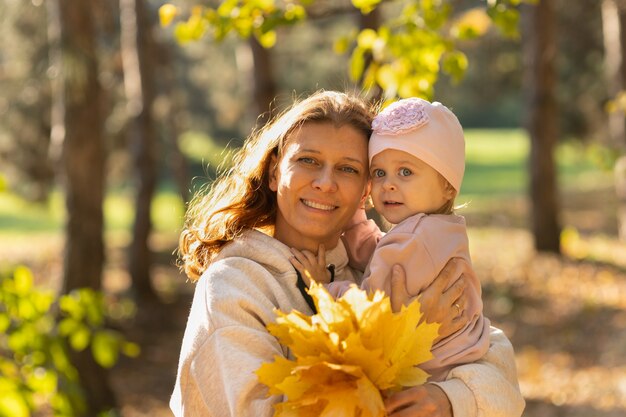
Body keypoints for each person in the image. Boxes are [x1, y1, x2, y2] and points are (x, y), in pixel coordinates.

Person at [170, 90, 525, 417]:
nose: (326, 182)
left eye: (348, 169)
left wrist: (450, 399)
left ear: (365, 190)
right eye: (308, 161)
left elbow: (499, 367)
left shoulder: (382, 260)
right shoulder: (235, 287)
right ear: (275, 171)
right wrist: (400, 336)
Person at [289, 97, 490, 383]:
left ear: (448, 185)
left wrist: (325, 288)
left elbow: (371, 314)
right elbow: (379, 253)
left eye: (405, 172)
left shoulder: (413, 240)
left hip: (428, 376)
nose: (388, 184)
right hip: (460, 363)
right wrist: (355, 218)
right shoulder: (442, 231)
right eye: (379, 173)